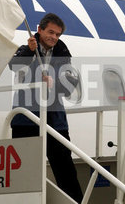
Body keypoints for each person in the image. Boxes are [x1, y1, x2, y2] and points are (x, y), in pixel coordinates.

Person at [9, 13, 83, 203]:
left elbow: (70, 84)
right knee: (24, 172)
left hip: (55, 122)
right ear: (40, 30)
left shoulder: (63, 55)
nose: (54, 37)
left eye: (57, 34)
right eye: (50, 32)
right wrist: (28, 52)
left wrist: (54, 83)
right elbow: (14, 67)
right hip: (27, 120)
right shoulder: (27, 50)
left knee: (66, 171)